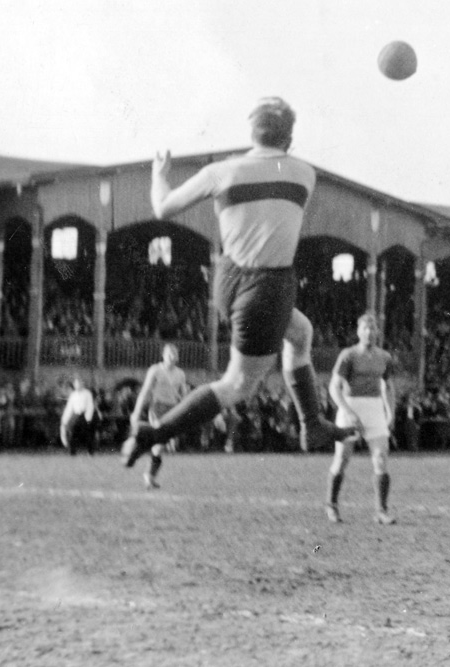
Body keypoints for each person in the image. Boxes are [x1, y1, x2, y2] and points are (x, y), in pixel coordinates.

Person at [121, 97, 355, 465]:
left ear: (251, 130)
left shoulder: (221, 171)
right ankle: (155, 432)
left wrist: (159, 177)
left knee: (300, 333)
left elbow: (163, 208)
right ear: (289, 137)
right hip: (267, 285)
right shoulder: (303, 174)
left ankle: (312, 422)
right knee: (237, 385)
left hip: (228, 279)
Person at [325, 313, 398, 524]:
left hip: (374, 408)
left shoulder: (384, 357)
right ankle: (331, 505)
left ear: (378, 332)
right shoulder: (348, 355)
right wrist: (347, 410)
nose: (369, 332)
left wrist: (390, 411)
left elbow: (389, 387)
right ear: (358, 332)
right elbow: (334, 387)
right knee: (342, 459)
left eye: (373, 328)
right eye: (365, 328)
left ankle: (381, 511)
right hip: (351, 406)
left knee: (381, 458)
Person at [127, 344, 189, 488]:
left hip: (173, 409)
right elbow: (145, 392)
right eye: (169, 354)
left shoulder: (180, 373)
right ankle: (148, 473)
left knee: (160, 445)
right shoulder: (155, 370)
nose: (173, 357)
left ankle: (149, 473)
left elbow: (184, 395)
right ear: (163, 355)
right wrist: (136, 412)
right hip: (158, 408)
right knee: (160, 442)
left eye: (175, 354)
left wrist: (186, 409)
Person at [60, 376, 99, 456]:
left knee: (88, 434)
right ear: (74, 385)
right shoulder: (73, 395)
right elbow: (69, 408)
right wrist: (65, 419)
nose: (78, 385)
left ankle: (90, 452)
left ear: (82, 384)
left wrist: (88, 418)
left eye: (79, 383)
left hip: (85, 415)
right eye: (76, 384)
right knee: (73, 433)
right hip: (76, 415)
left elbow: (90, 406)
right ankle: (72, 451)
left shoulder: (87, 393)